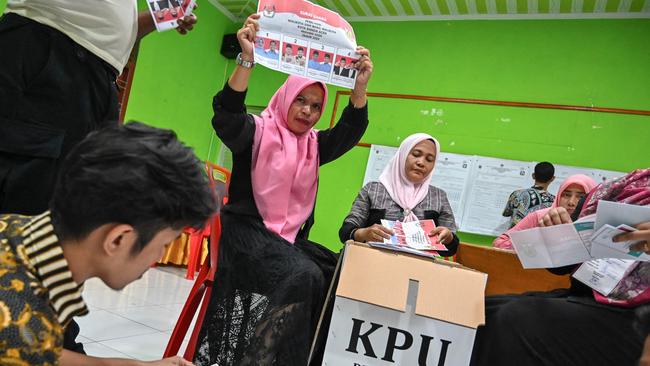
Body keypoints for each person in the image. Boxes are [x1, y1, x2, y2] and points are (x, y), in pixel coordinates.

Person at [0, 2, 197, 354]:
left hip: (95, 78)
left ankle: (50, 331)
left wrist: (154, 20)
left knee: (66, 228)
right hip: (47, 55)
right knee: (31, 222)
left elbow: (110, 32)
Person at [192, 13, 373, 366]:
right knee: (301, 273)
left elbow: (349, 132)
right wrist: (246, 58)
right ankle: (261, 358)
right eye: (300, 101)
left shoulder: (313, 146)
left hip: (283, 241)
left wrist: (360, 85)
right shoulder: (256, 132)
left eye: (316, 105)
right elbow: (225, 117)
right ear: (285, 98)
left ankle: (295, 355)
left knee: (335, 270)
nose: (307, 111)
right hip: (246, 236)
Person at [0, 122, 216, 366]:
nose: (160, 255)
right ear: (118, 239)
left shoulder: (17, 229)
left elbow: (41, 351)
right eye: (165, 243)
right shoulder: (19, 322)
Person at [471, 168, 650, 366]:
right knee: (484, 310)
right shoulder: (614, 189)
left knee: (515, 318)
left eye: (577, 195)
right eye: (567, 194)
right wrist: (555, 237)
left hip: (637, 316)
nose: (572, 201)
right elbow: (563, 266)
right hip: (584, 295)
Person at [339, 133, 459, 257]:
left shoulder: (439, 197)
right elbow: (346, 232)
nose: (421, 163)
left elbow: (452, 247)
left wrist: (448, 238)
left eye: (429, 160)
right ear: (402, 155)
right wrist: (364, 233)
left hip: (417, 270)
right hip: (371, 263)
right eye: (416, 154)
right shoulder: (372, 190)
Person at [493, 174, 597, 250]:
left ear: (591, 199)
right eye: (566, 195)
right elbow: (499, 243)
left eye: (581, 197)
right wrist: (537, 238)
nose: (571, 202)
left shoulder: (595, 224)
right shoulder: (539, 217)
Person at [502, 161, 556, 228]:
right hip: (535, 237)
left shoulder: (516, 194)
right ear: (553, 178)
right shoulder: (554, 201)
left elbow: (506, 213)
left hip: (512, 236)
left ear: (533, 175)